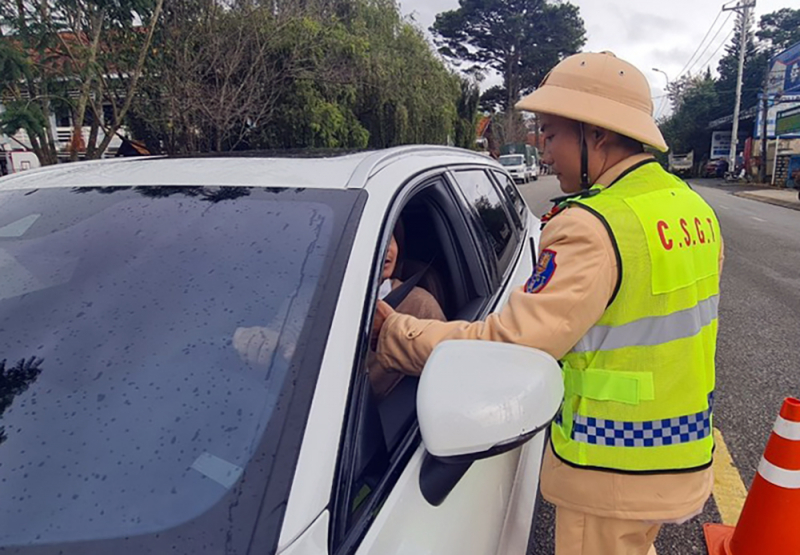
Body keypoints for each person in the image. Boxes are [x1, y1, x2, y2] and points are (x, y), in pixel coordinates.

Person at [372, 51, 723, 555]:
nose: (543, 148)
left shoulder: (593, 227)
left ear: (595, 134)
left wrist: (398, 335)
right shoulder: (691, 208)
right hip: (679, 453)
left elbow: (508, 345)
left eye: (552, 133)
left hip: (612, 471)